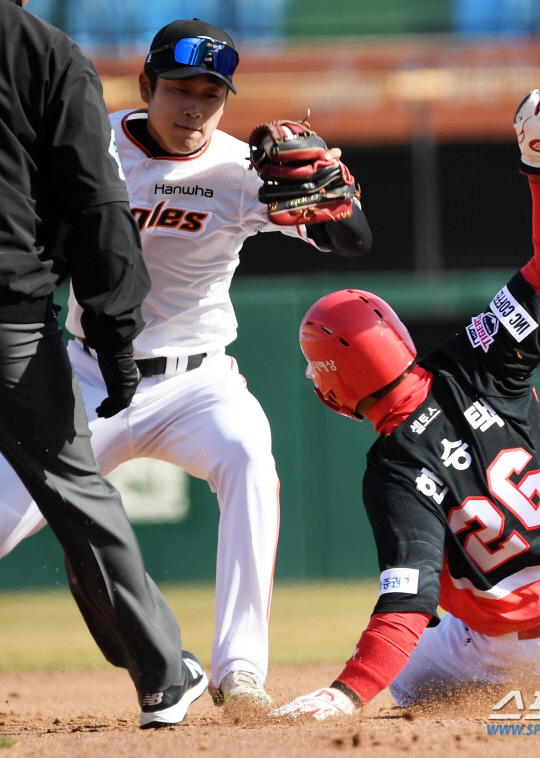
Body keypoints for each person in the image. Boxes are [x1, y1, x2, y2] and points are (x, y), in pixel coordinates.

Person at [0, 16, 371, 708]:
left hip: (198, 382)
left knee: (250, 460)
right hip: (88, 376)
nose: (195, 108)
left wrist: (334, 188)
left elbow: (353, 241)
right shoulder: (94, 143)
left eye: (212, 94)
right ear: (147, 85)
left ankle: (242, 674)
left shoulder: (238, 170)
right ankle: (181, 664)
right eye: (180, 89)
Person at [276, 82, 540, 720]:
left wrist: (344, 696)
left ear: (336, 387)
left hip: (533, 655)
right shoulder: (479, 358)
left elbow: (407, 603)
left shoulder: (392, 467)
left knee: (415, 680)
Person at [0, 0, 207, 728]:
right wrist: (116, 333)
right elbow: (94, 200)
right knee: (75, 493)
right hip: (9, 322)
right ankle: (160, 675)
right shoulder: (46, 53)